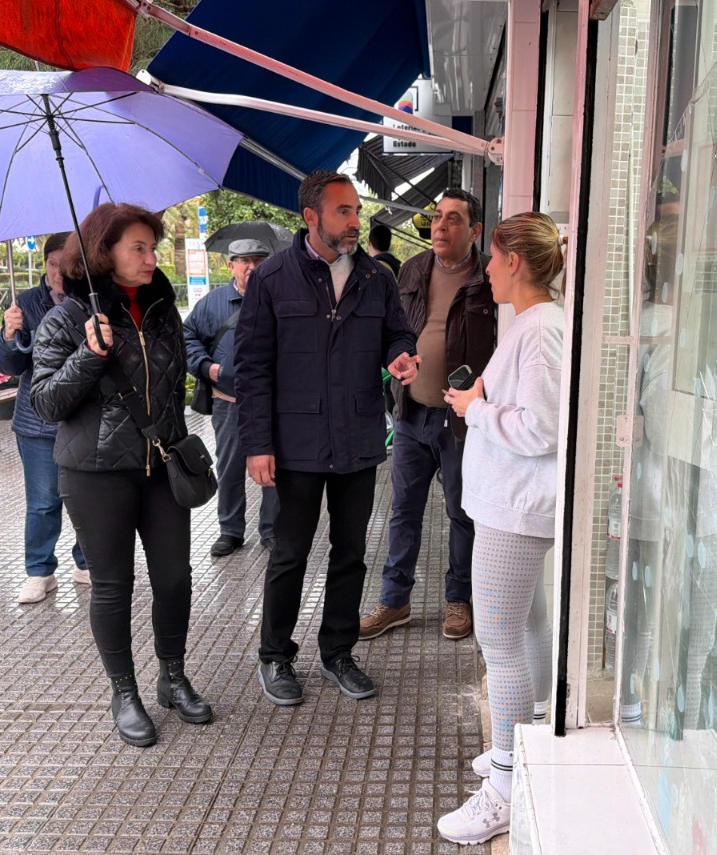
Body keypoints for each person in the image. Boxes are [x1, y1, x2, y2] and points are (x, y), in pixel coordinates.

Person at [29, 202, 211, 747]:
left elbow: (173, 385)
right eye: (139, 248)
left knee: (176, 578)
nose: (152, 258)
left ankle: (172, 677)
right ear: (104, 252)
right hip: (95, 472)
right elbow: (44, 403)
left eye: (153, 248)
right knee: (112, 586)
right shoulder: (65, 317)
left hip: (160, 466)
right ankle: (124, 691)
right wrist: (89, 353)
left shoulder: (162, 308)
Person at [235, 170, 419, 707]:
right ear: (310, 217)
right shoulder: (272, 279)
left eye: (356, 211)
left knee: (351, 552)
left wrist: (399, 354)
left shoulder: (376, 278)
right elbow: (252, 368)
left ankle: (338, 651)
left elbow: (398, 332)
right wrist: (257, 443)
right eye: (343, 211)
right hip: (293, 445)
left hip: (358, 438)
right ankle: (275, 656)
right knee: (289, 552)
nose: (355, 222)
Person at [437, 212, 565, 845]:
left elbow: (541, 427)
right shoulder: (539, 325)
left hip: (513, 509)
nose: (485, 268)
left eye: (492, 256)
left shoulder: (540, 330)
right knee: (528, 625)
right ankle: (529, 739)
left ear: (515, 260)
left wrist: (476, 409)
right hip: (515, 504)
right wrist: (477, 405)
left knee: (499, 641)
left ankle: (509, 782)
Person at [360, 188, 496, 642]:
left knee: (461, 512)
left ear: (475, 230)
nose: (441, 226)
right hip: (412, 413)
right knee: (403, 511)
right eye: (437, 217)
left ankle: (459, 600)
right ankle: (394, 602)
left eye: (454, 219)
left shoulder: (489, 279)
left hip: (461, 422)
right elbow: (393, 329)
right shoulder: (415, 270)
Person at [0, 232, 91, 604]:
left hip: (82, 416)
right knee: (43, 500)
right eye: (51, 264)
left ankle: (85, 562)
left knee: (84, 497)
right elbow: (10, 365)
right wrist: (9, 333)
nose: (57, 272)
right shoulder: (25, 303)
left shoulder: (92, 299)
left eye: (64, 265)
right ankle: (39, 571)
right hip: (36, 421)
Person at [184, 237, 279, 558]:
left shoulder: (280, 298)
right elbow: (186, 338)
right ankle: (230, 530)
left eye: (258, 260)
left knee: (274, 469)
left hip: (273, 402)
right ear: (231, 265)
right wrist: (207, 368)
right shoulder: (212, 304)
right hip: (230, 401)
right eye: (244, 261)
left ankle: (272, 529)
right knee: (230, 467)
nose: (251, 266)